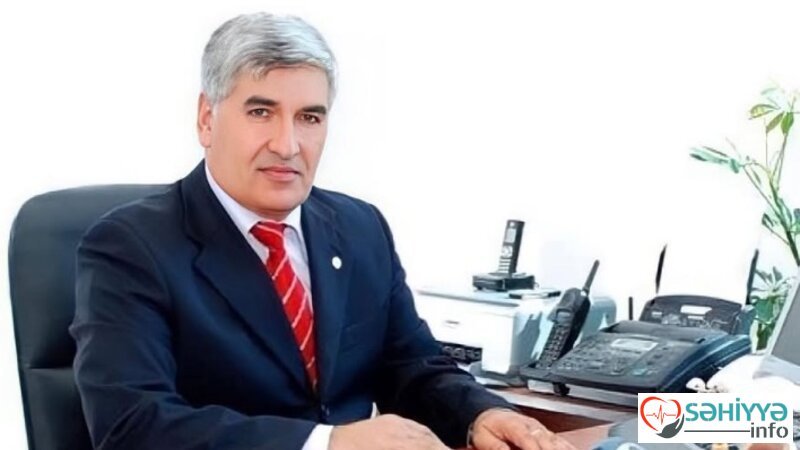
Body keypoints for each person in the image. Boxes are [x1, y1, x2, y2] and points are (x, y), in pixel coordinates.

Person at [70, 12, 576, 450]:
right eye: (261, 112)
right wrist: (328, 442)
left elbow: (411, 365)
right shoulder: (130, 247)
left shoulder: (359, 227)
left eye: (309, 117)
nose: (288, 144)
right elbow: (132, 425)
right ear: (207, 119)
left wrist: (481, 413)